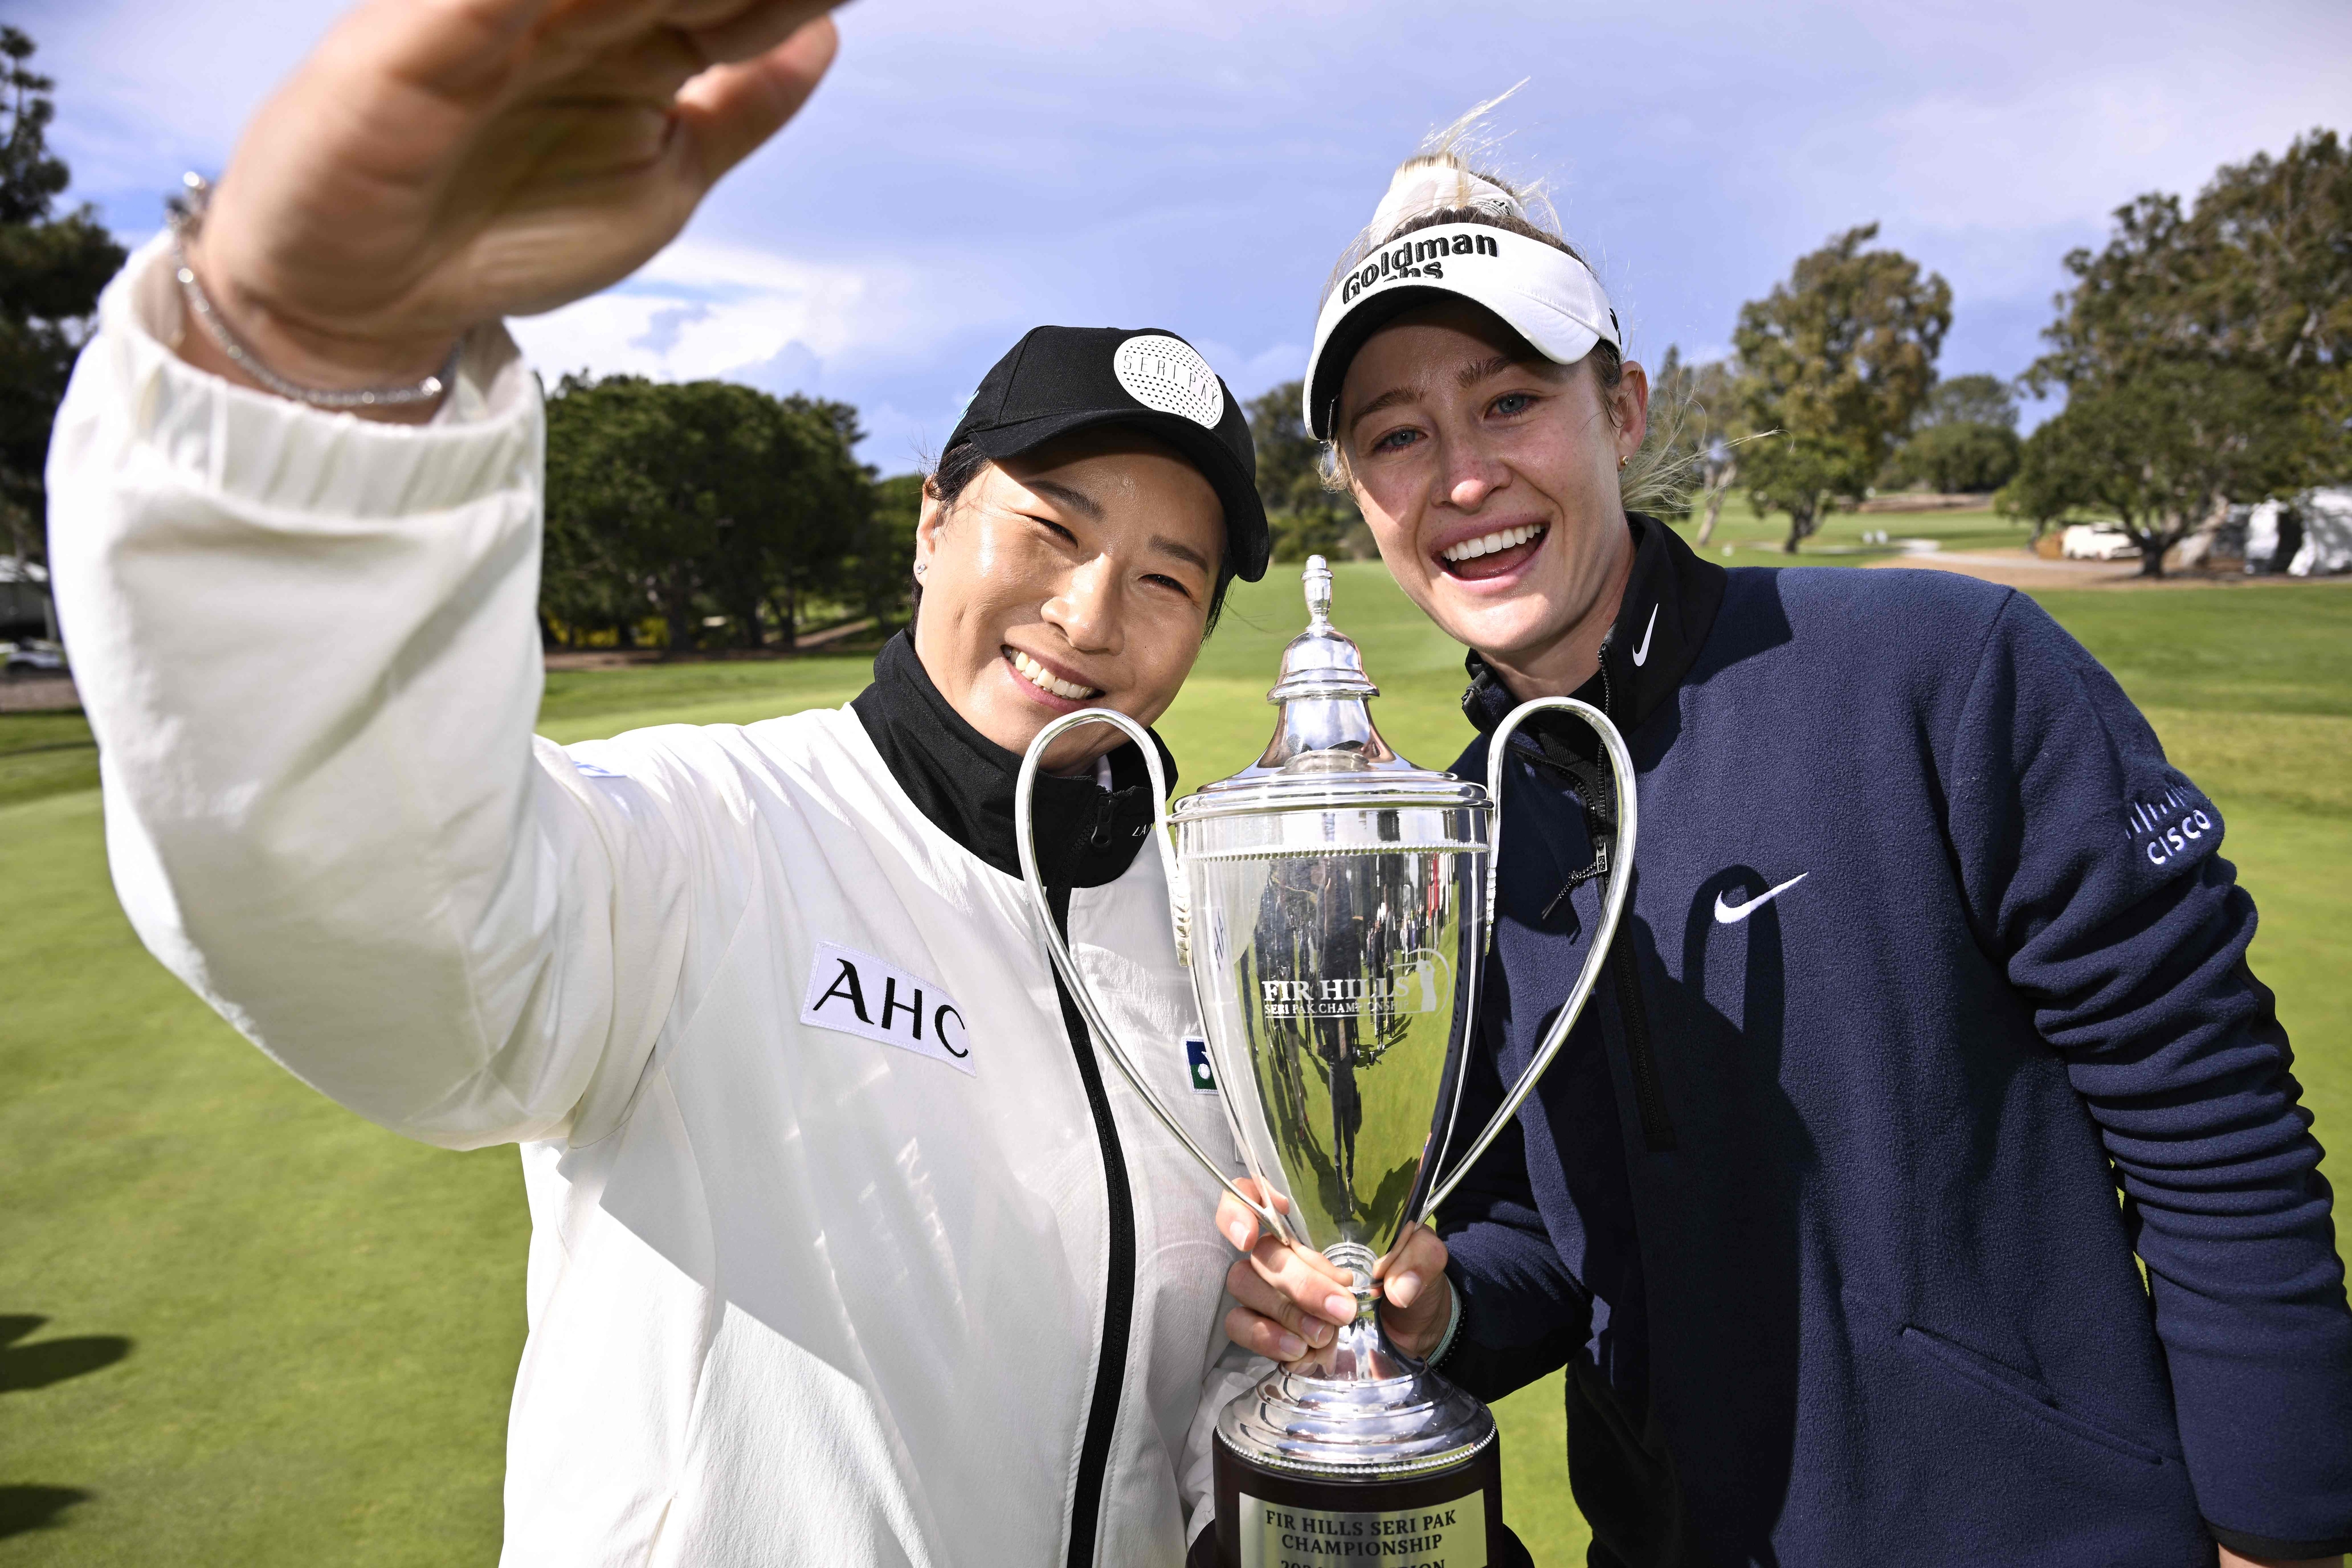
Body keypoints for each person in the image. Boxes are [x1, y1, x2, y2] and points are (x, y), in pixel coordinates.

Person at [47, 2, 1287, 1562]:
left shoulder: (1203, 934)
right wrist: (317, 365)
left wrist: (1284, 1366)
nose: (1092, 615)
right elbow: (375, 907)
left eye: (1168, 577)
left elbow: (1164, 1401)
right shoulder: (710, 836)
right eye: (1048, 527)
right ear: (928, 522)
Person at [1221, 145, 2352, 1567]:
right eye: (1395, 435)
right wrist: (1425, 1308)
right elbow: (1545, 1242)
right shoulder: (1453, 835)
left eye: (1510, 400)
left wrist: (2279, 1529)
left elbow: (2212, 1118)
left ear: (1619, 411)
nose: (1461, 475)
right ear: (1354, 487)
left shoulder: (1938, 668)